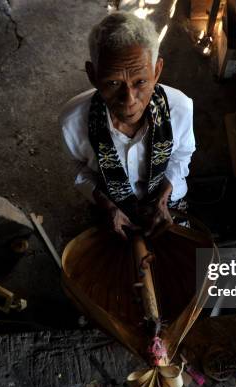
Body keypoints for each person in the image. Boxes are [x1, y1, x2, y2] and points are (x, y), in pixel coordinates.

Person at [59, 12, 195, 239]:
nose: (129, 99)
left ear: (157, 71)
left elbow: (182, 154)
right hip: (110, 205)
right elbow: (79, 169)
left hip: (166, 199)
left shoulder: (179, 108)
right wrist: (108, 206)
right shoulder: (72, 122)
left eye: (140, 82)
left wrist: (163, 199)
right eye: (113, 83)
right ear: (93, 75)